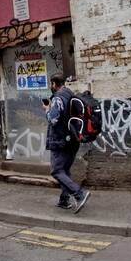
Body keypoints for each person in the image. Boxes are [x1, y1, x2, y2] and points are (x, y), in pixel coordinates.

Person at [43, 75, 90, 212]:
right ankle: (64, 200)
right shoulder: (70, 94)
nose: (51, 87)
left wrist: (47, 110)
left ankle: (80, 194)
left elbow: (53, 120)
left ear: (53, 83)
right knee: (65, 170)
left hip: (60, 140)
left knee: (56, 171)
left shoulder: (58, 97)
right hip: (73, 139)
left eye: (51, 84)